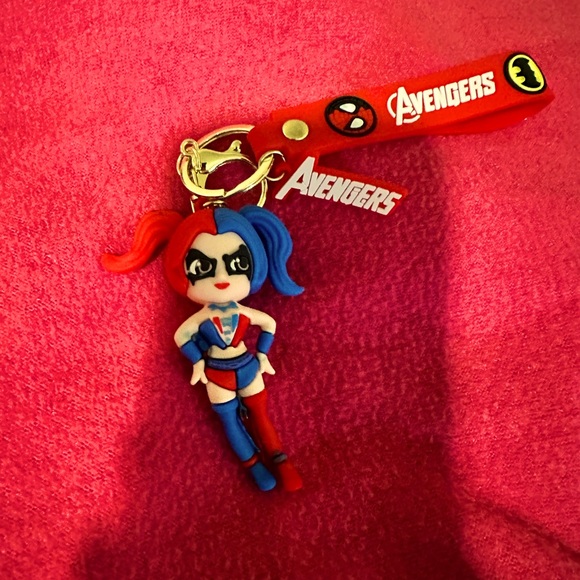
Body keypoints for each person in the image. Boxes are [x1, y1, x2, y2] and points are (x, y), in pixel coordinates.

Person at [102, 205, 303, 491]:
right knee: (230, 421)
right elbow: (181, 336)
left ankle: (282, 462)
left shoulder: (244, 313)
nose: (221, 278)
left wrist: (262, 355)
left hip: (247, 367)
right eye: (203, 267)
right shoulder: (201, 318)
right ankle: (255, 467)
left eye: (236, 264)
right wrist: (197, 361)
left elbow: (269, 323)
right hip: (216, 373)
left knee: (261, 414)